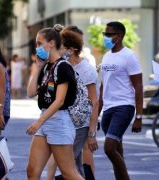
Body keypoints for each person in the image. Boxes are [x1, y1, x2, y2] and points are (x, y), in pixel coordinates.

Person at [26, 25, 83, 180]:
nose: (37, 47)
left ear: (51, 43)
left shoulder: (63, 67)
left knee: (69, 173)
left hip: (59, 121)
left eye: (39, 43)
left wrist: (39, 122)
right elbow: (31, 93)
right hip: (45, 119)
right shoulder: (45, 67)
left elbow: (60, 100)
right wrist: (37, 67)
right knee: (32, 171)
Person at [46, 25, 99, 180]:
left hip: (80, 125)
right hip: (64, 122)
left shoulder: (87, 70)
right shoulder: (62, 66)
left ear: (71, 50)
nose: (57, 50)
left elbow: (94, 102)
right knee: (74, 168)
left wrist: (91, 134)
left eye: (60, 47)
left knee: (64, 166)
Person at [99, 21, 143, 180]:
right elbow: (103, 86)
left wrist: (139, 116)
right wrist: (96, 113)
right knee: (117, 150)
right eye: (105, 34)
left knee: (109, 148)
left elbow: (138, 86)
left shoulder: (129, 56)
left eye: (110, 34)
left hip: (124, 106)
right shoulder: (106, 56)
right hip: (108, 109)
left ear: (120, 36)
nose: (107, 37)